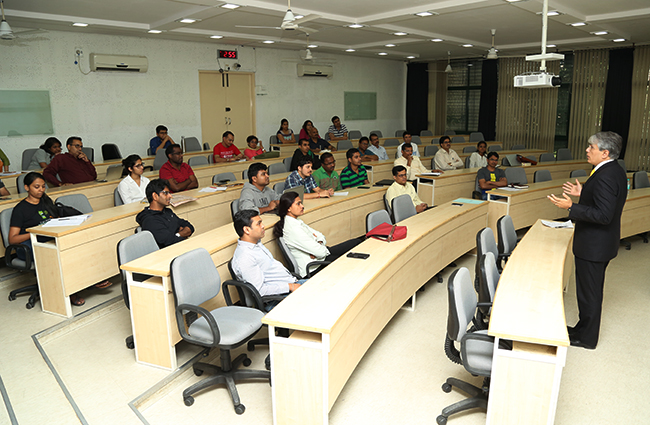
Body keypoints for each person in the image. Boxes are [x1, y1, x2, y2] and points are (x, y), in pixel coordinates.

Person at [548, 131, 627, 350]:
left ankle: (587, 338)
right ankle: (582, 328)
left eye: (591, 147)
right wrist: (583, 193)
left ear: (605, 152)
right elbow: (604, 202)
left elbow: (603, 215)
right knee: (587, 291)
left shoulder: (606, 175)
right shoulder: (613, 169)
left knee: (590, 293)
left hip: (594, 245)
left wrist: (571, 207)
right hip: (600, 243)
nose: (587, 150)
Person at [9, 172, 110, 306]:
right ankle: (71, 292)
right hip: (28, 246)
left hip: (49, 237)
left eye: (43, 187)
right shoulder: (20, 209)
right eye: (36, 187)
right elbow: (12, 239)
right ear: (26, 187)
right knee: (62, 254)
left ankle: (89, 280)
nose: (40, 190)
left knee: (78, 245)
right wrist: (35, 232)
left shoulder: (46, 202)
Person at [274, 191, 363, 278]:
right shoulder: (293, 228)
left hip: (319, 257)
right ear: (288, 208)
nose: (302, 206)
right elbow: (320, 252)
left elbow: (320, 236)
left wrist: (318, 245)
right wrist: (317, 248)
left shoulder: (297, 221)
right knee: (349, 259)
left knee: (356, 242)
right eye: (298, 204)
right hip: (314, 267)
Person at [231, 209, 303, 298]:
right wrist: (290, 286)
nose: (263, 226)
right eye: (259, 223)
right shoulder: (245, 257)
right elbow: (259, 290)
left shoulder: (256, 244)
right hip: (278, 297)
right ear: (247, 230)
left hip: (290, 284)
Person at [136, 178, 195, 248]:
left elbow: (190, 227)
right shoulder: (150, 220)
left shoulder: (167, 211)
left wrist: (177, 235)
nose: (170, 196)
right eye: (166, 193)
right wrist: (181, 233)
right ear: (155, 196)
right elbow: (170, 242)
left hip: (179, 248)